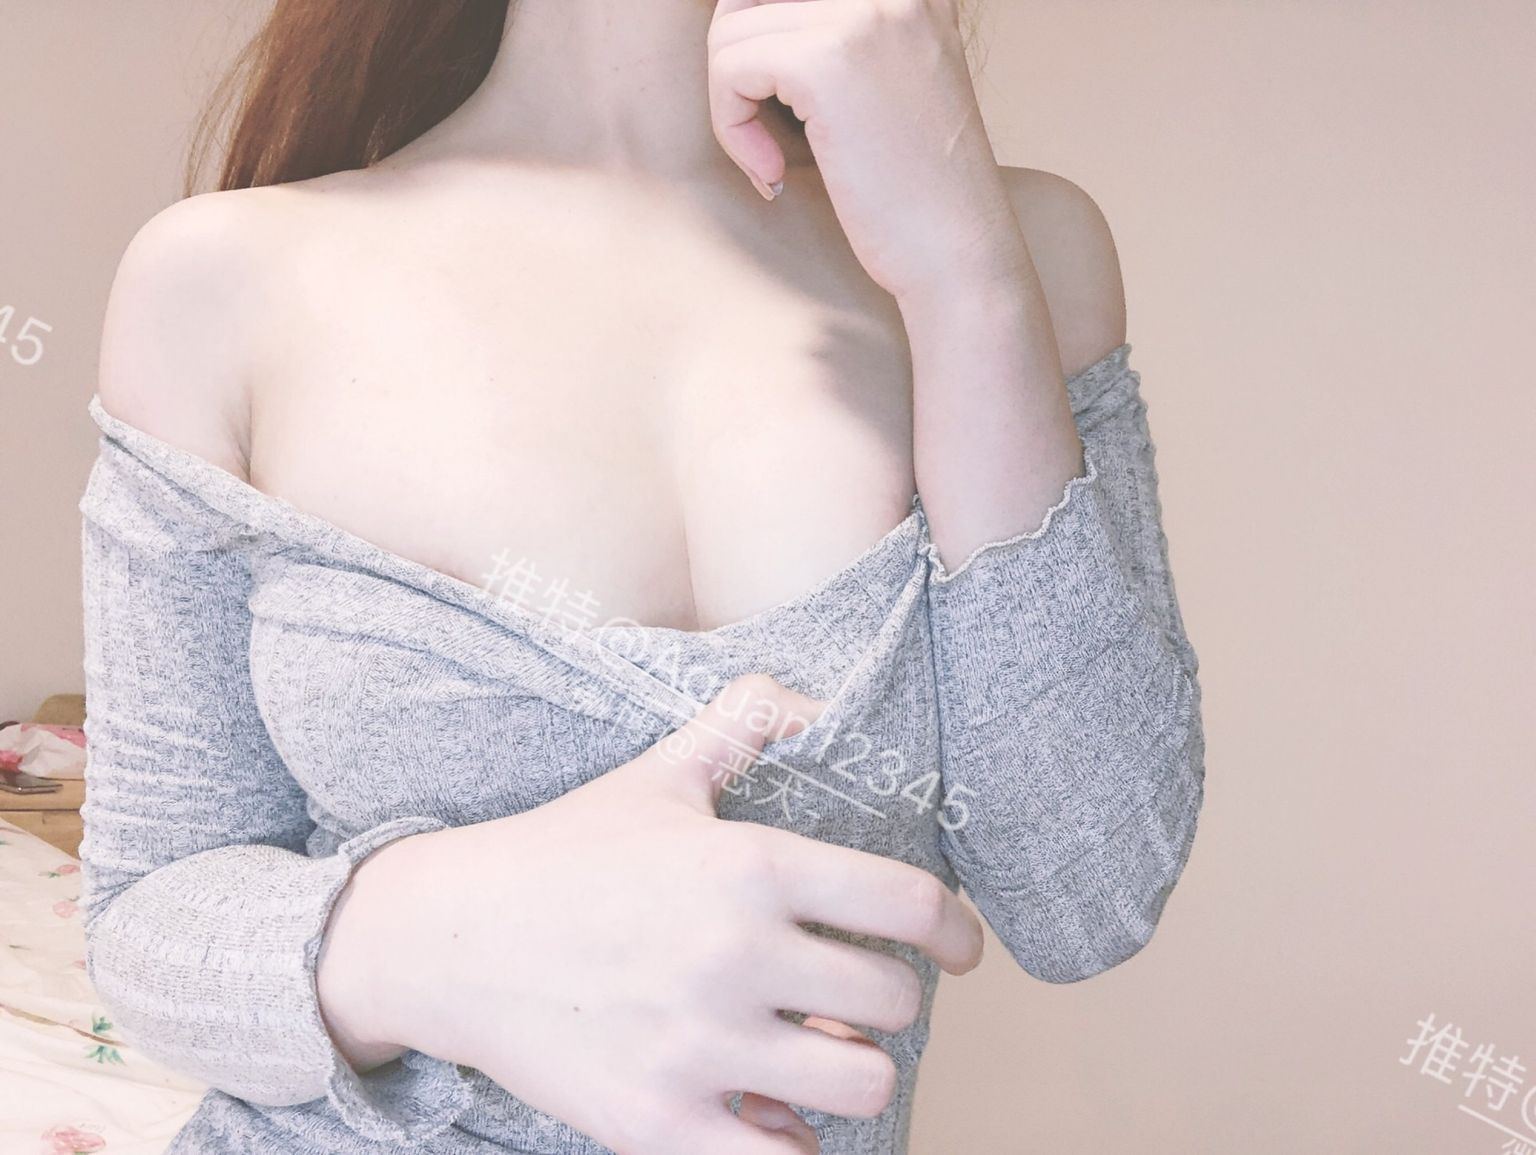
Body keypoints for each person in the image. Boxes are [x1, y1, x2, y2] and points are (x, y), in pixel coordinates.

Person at [78, 1, 1206, 1152]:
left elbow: (1088, 898)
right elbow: (144, 919)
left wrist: (965, 275)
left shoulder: (1020, 251)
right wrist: (447, 936)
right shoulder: (223, 275)